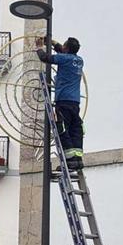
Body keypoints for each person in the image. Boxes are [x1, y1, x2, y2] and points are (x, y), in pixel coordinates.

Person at [37, 37, 85, 170]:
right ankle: (77, 159)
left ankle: (69, 160)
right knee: (75, 129)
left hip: (63, 100)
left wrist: (39, 47)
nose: (62, 46)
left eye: (64, 45)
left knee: (62, 129)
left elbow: (45, 58)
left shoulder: (64, 59)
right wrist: (52, 42)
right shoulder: (79, 60)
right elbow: (63, 52)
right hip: (75, 102)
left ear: (67, 48)